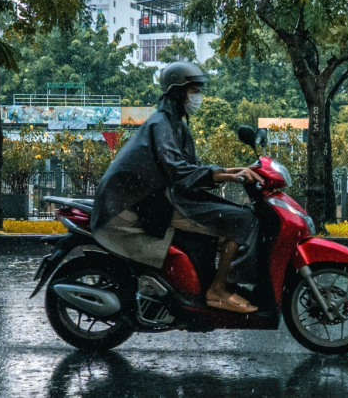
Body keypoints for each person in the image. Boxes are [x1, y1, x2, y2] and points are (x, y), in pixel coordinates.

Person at [91, 61, 262, 314]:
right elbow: (179, 171)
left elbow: (192, 168)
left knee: (236, 213)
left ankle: (213, 281)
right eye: (194, 90)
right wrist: (227, 176)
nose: (198, 96)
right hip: (148, 203)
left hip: (166, 197)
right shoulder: (161, 124)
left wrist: (234, 171)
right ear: (178, 91)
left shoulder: (176, 124)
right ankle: (218, 291)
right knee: (239, 220)